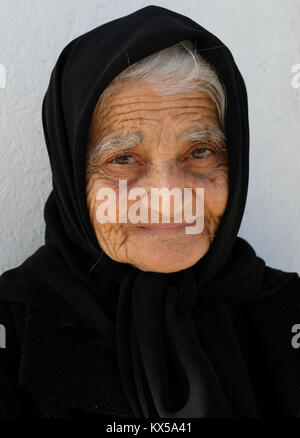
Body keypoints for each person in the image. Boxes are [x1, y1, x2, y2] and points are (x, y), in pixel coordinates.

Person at [0, 5, 299, 418]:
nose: (168, 195)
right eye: (123, 159)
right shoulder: (13, 335)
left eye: (200, 151)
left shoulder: (288, 318)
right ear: (72, 176)